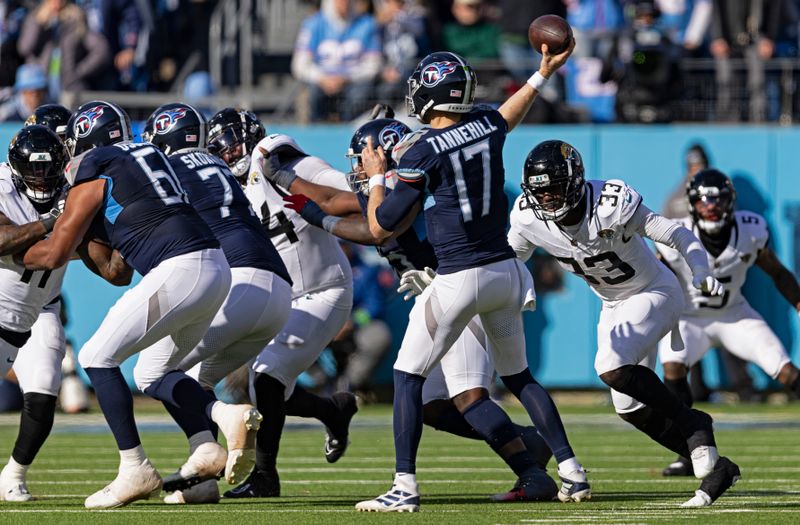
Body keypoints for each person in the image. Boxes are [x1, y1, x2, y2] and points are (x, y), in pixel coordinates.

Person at [354, 44, 590, 513]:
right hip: (506, 270)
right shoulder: (484, 124)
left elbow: (381, 226)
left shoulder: (423, 150)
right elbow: (509, 114)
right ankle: (572, 471)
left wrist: (379, 176)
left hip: (460, 275)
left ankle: (404, 487)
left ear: (431, 95)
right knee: (521, 377)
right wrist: (542, 74)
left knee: (406, 378)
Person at [277, 113, 557, 502]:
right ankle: (527, 444)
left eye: (363, 158)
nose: (358, 166)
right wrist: (282, 177)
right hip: (443, 296)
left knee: (467, 396)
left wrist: (318, 217)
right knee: (429, 406)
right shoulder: (392, 187)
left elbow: (374, 229)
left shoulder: (411, 189)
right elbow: (335, 200)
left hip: (458, 293)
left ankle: (527, 467)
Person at [19, 100, 261, 509]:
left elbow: (53, 254)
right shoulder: (149, 157)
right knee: (154, 370)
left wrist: (18, 249)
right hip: (216, 267)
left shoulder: (94, 164)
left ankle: (135, 466)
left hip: (180, 267)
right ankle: (208, 440)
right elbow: (118, 271)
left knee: (97, 356)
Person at [505, 139, 739, 507]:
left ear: (574, 181)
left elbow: (675, 233)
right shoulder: (527, 218)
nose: (546, 199)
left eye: (552, 189)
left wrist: (699, 269)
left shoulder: (610, 204)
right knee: (629, 407)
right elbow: (506, 264)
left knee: (610, 365)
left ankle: (694, 423)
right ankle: (719, 470)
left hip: (655, 291)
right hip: (613, 305)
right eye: (540, 192)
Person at [141, 103, 294, 505]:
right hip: (278, 291)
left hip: (240, 282)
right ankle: (203, 479)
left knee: (152, 370)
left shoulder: (169, 172)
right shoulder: (221, 166)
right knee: (194, 382)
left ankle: (230, 419)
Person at [206, 108, 357, 499]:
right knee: (264, 388)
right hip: (280, 298)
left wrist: (307, 181)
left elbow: (336, 187)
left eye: (232, 145)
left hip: (324, 289)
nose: (229, 156)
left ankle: (266, 477)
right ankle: (332, 410)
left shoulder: (276, 157)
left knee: (267, 380)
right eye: (220, 151)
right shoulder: (227, 191)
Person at [656, 169, 800, 477]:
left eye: (718, 199)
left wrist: (798, 302)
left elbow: (777, 271)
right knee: (672, 366)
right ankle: (687, 453)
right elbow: (652, 277)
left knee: (786, 371)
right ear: (692, 203)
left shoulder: (751, 230)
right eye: (704, 200)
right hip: (689, 318)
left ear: (730, 201)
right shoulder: (675, 234)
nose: (711, 206)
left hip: (734, 314)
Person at [0, 125, 68, 502]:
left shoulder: (76, 191)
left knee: (44, 389)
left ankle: (13, 474)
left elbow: (112, 270)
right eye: (33, 168)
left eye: (49, 168)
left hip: (40, 308)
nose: (41, 177)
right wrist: (51, 222)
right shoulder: (2, 184)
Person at [291, 0, 381, 121]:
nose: (344, 3)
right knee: (312, 95)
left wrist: (347, 78)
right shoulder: (313, 24)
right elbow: (300, 65)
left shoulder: (367, 24)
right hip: (320, 82)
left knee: (359, 95)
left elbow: (373, 65)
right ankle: (316, 130)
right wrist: (322, 78)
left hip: (354, 81)